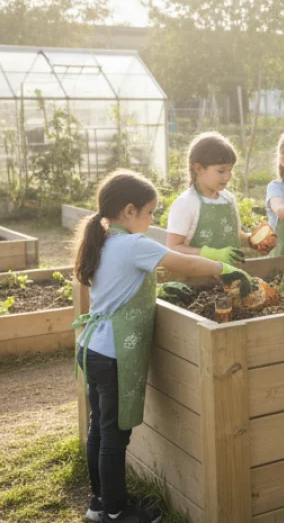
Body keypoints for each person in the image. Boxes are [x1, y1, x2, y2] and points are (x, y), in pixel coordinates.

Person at [73, 170, 252, 523]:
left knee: (99, 426)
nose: (152, 219)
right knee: (114, 434)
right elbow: (183, 261)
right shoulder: (133, 245)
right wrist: (226, 268)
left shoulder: (103, 240)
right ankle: (116, 511)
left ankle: (100, 502)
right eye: (150, 212)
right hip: (114, 355)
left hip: (92, 348)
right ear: (129, 210)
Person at [165, 132, 250, 261]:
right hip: (198, 278)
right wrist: (210, 254)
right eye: (221, 171)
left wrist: (252, 240)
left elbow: (233, 236)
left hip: (232, 275)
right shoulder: (186, 203)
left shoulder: (229, 199)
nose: (227, 177)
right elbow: (173, 247)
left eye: (230, 170)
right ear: (199, 169)